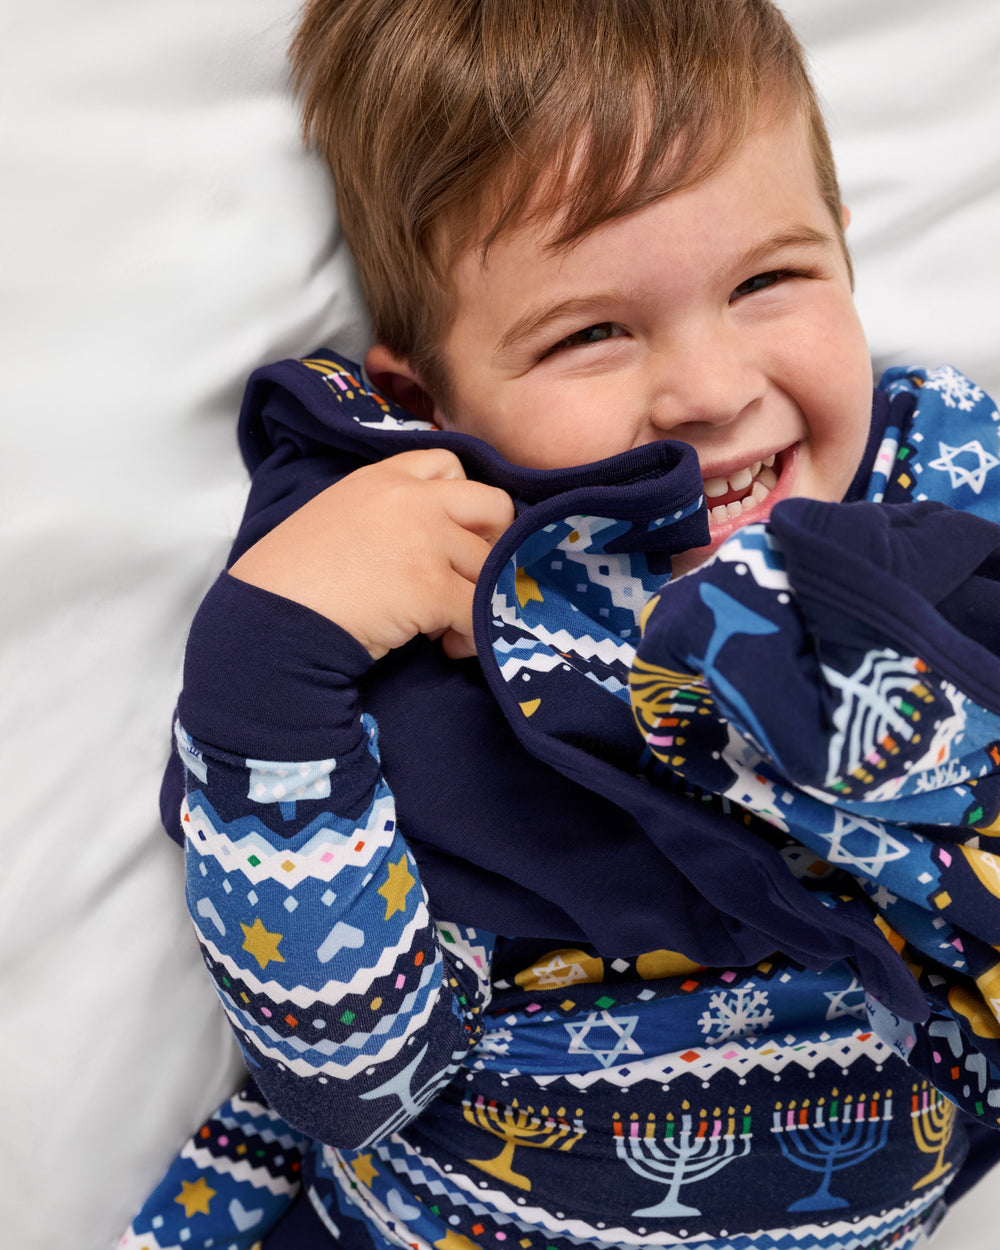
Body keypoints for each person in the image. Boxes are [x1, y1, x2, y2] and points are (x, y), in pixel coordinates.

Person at [122, 2, 1000, 1247]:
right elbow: (347, 1074)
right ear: (427, 398)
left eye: (767, 279)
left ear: (844, 257)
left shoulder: (944, 490)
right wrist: (270, 656)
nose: (711, 390)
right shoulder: (406, 591)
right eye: (591, 333)